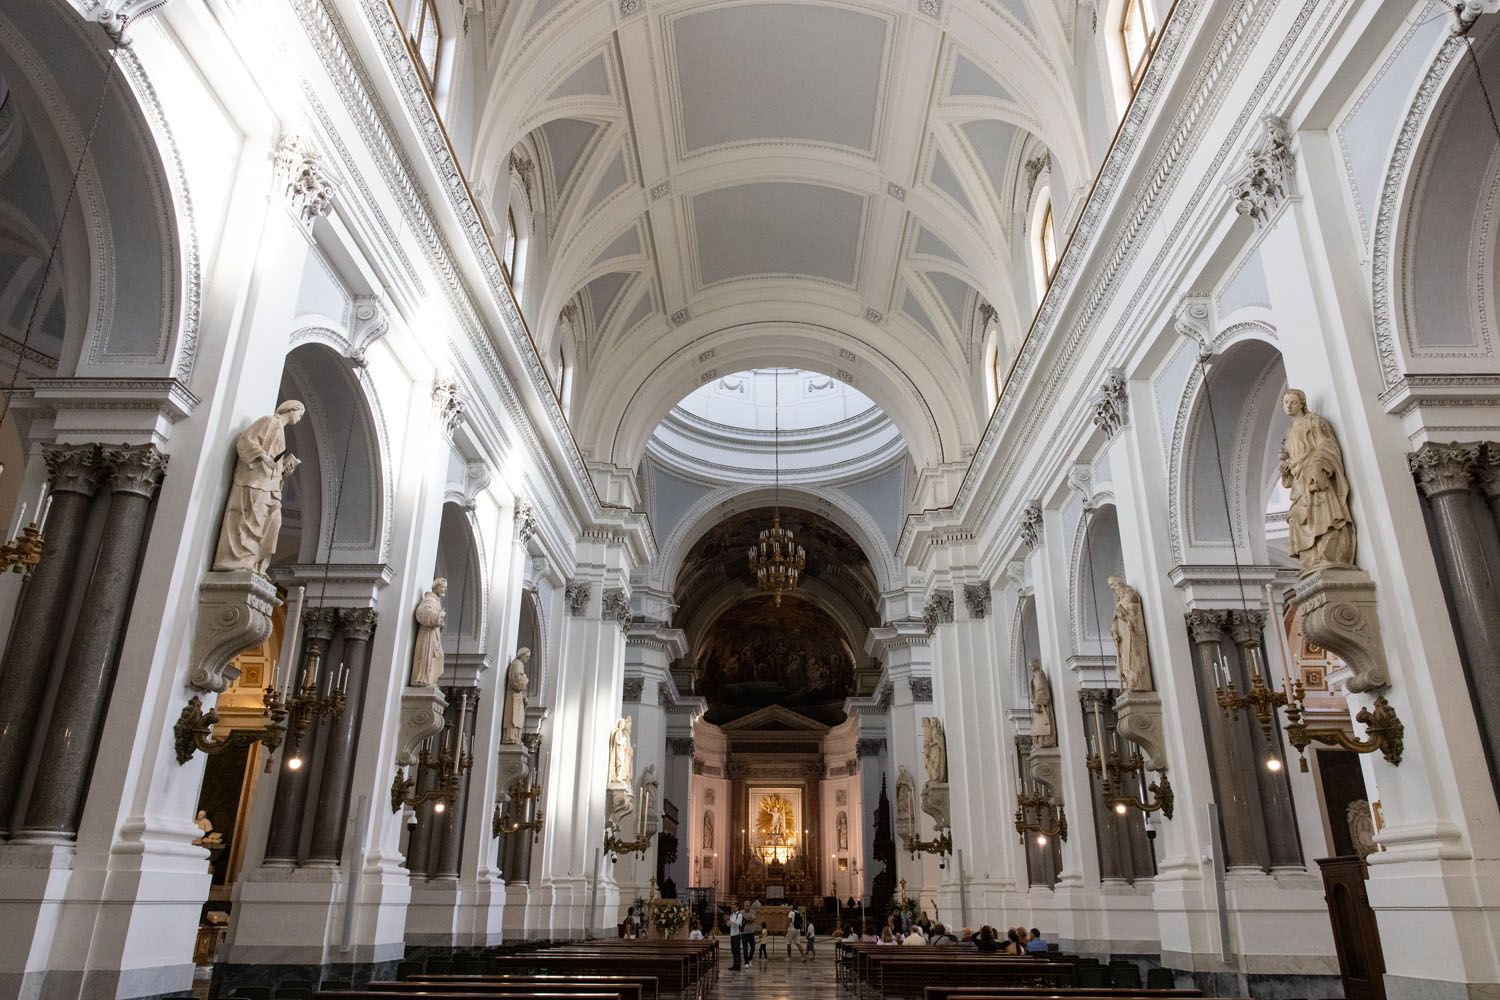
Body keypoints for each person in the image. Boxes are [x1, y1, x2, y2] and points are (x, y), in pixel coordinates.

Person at [728, 902, 745, 970]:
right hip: (732, 934)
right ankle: (735, 965)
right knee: (733, 951)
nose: (732, 908)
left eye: (734, 907)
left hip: (737, 934)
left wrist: (730, 920)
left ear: (737, 907)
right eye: (732, 907)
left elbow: (737, 924)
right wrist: (727, 921)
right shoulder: (732, 914)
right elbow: (729, 925)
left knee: (737, 951)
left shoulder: (739, 914)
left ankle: (738, 966)